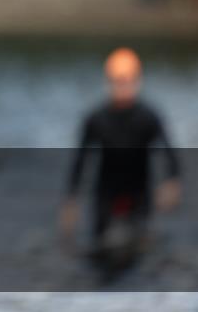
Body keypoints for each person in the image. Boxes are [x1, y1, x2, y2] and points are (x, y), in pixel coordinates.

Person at [60, 47, 181, 259]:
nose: (123, 87)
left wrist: (171, 182)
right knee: (99, 250)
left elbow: (169, 152)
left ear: (137, 81)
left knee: (140, 250)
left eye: (127, 81)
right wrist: (71, 200)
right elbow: (80, 159)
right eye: (117, 81)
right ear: (108, 81)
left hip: (139, 192)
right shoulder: (96, 119)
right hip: (105, 192)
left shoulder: (149, 117)